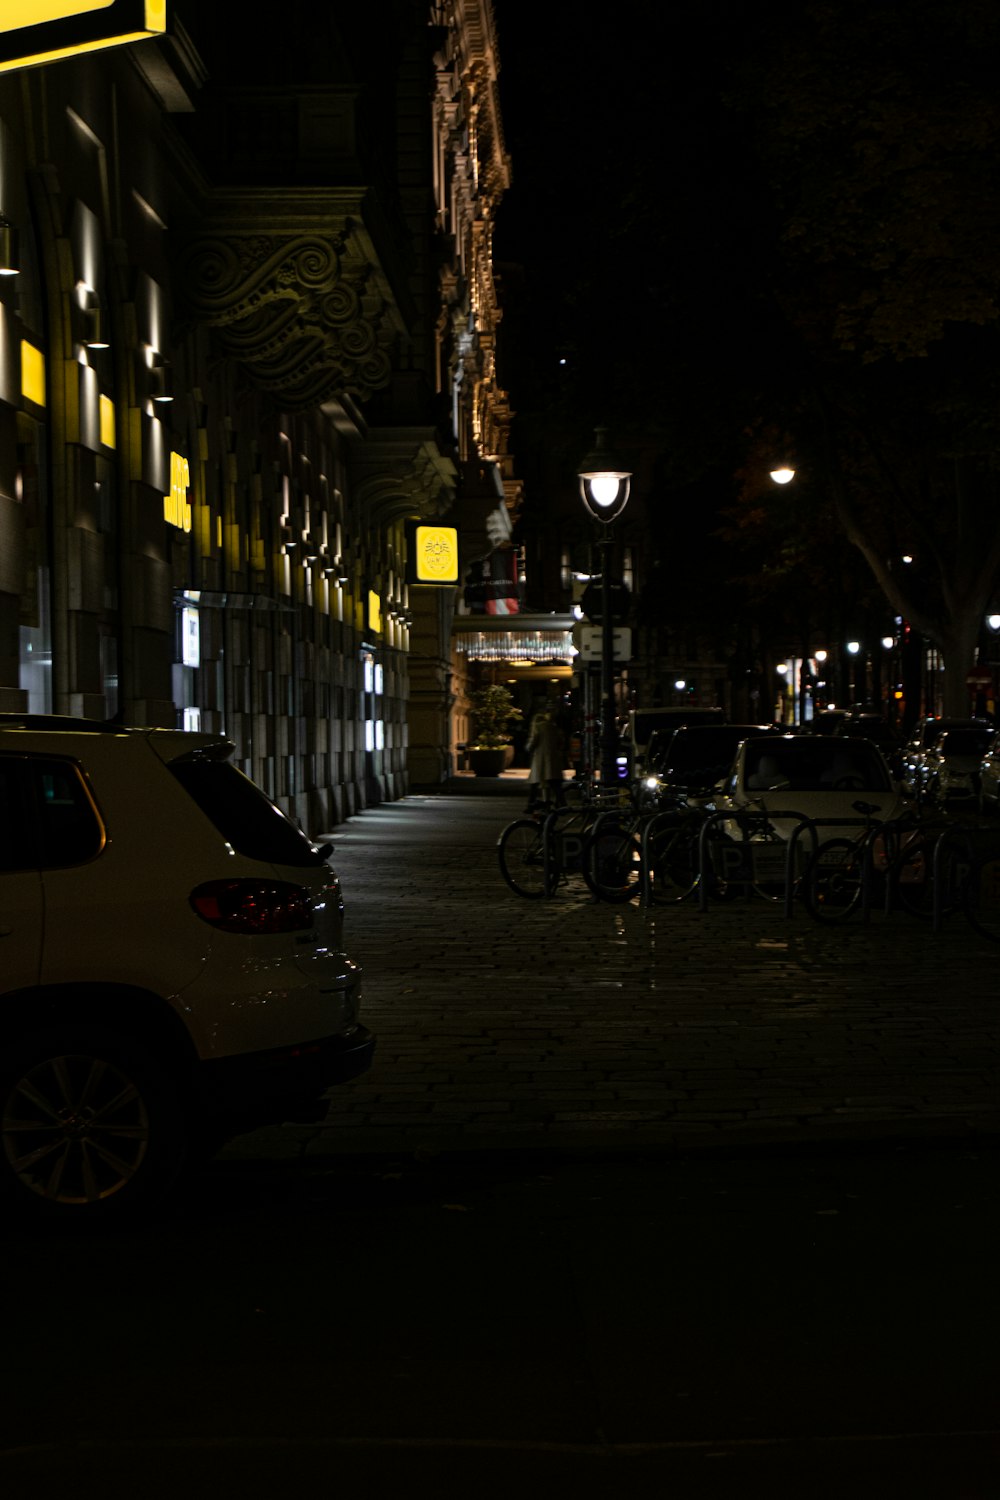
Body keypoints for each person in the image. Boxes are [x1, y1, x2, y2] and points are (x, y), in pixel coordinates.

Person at [525, 692, 568, 811]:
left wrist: (528, 748)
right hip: (553, 757)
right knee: (555, 783)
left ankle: (531, 804)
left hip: (540, 758)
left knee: (535, 782)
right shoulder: (554, 728)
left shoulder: (538, 727)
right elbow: (561, 743)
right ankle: (562, 804)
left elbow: (533, 742)